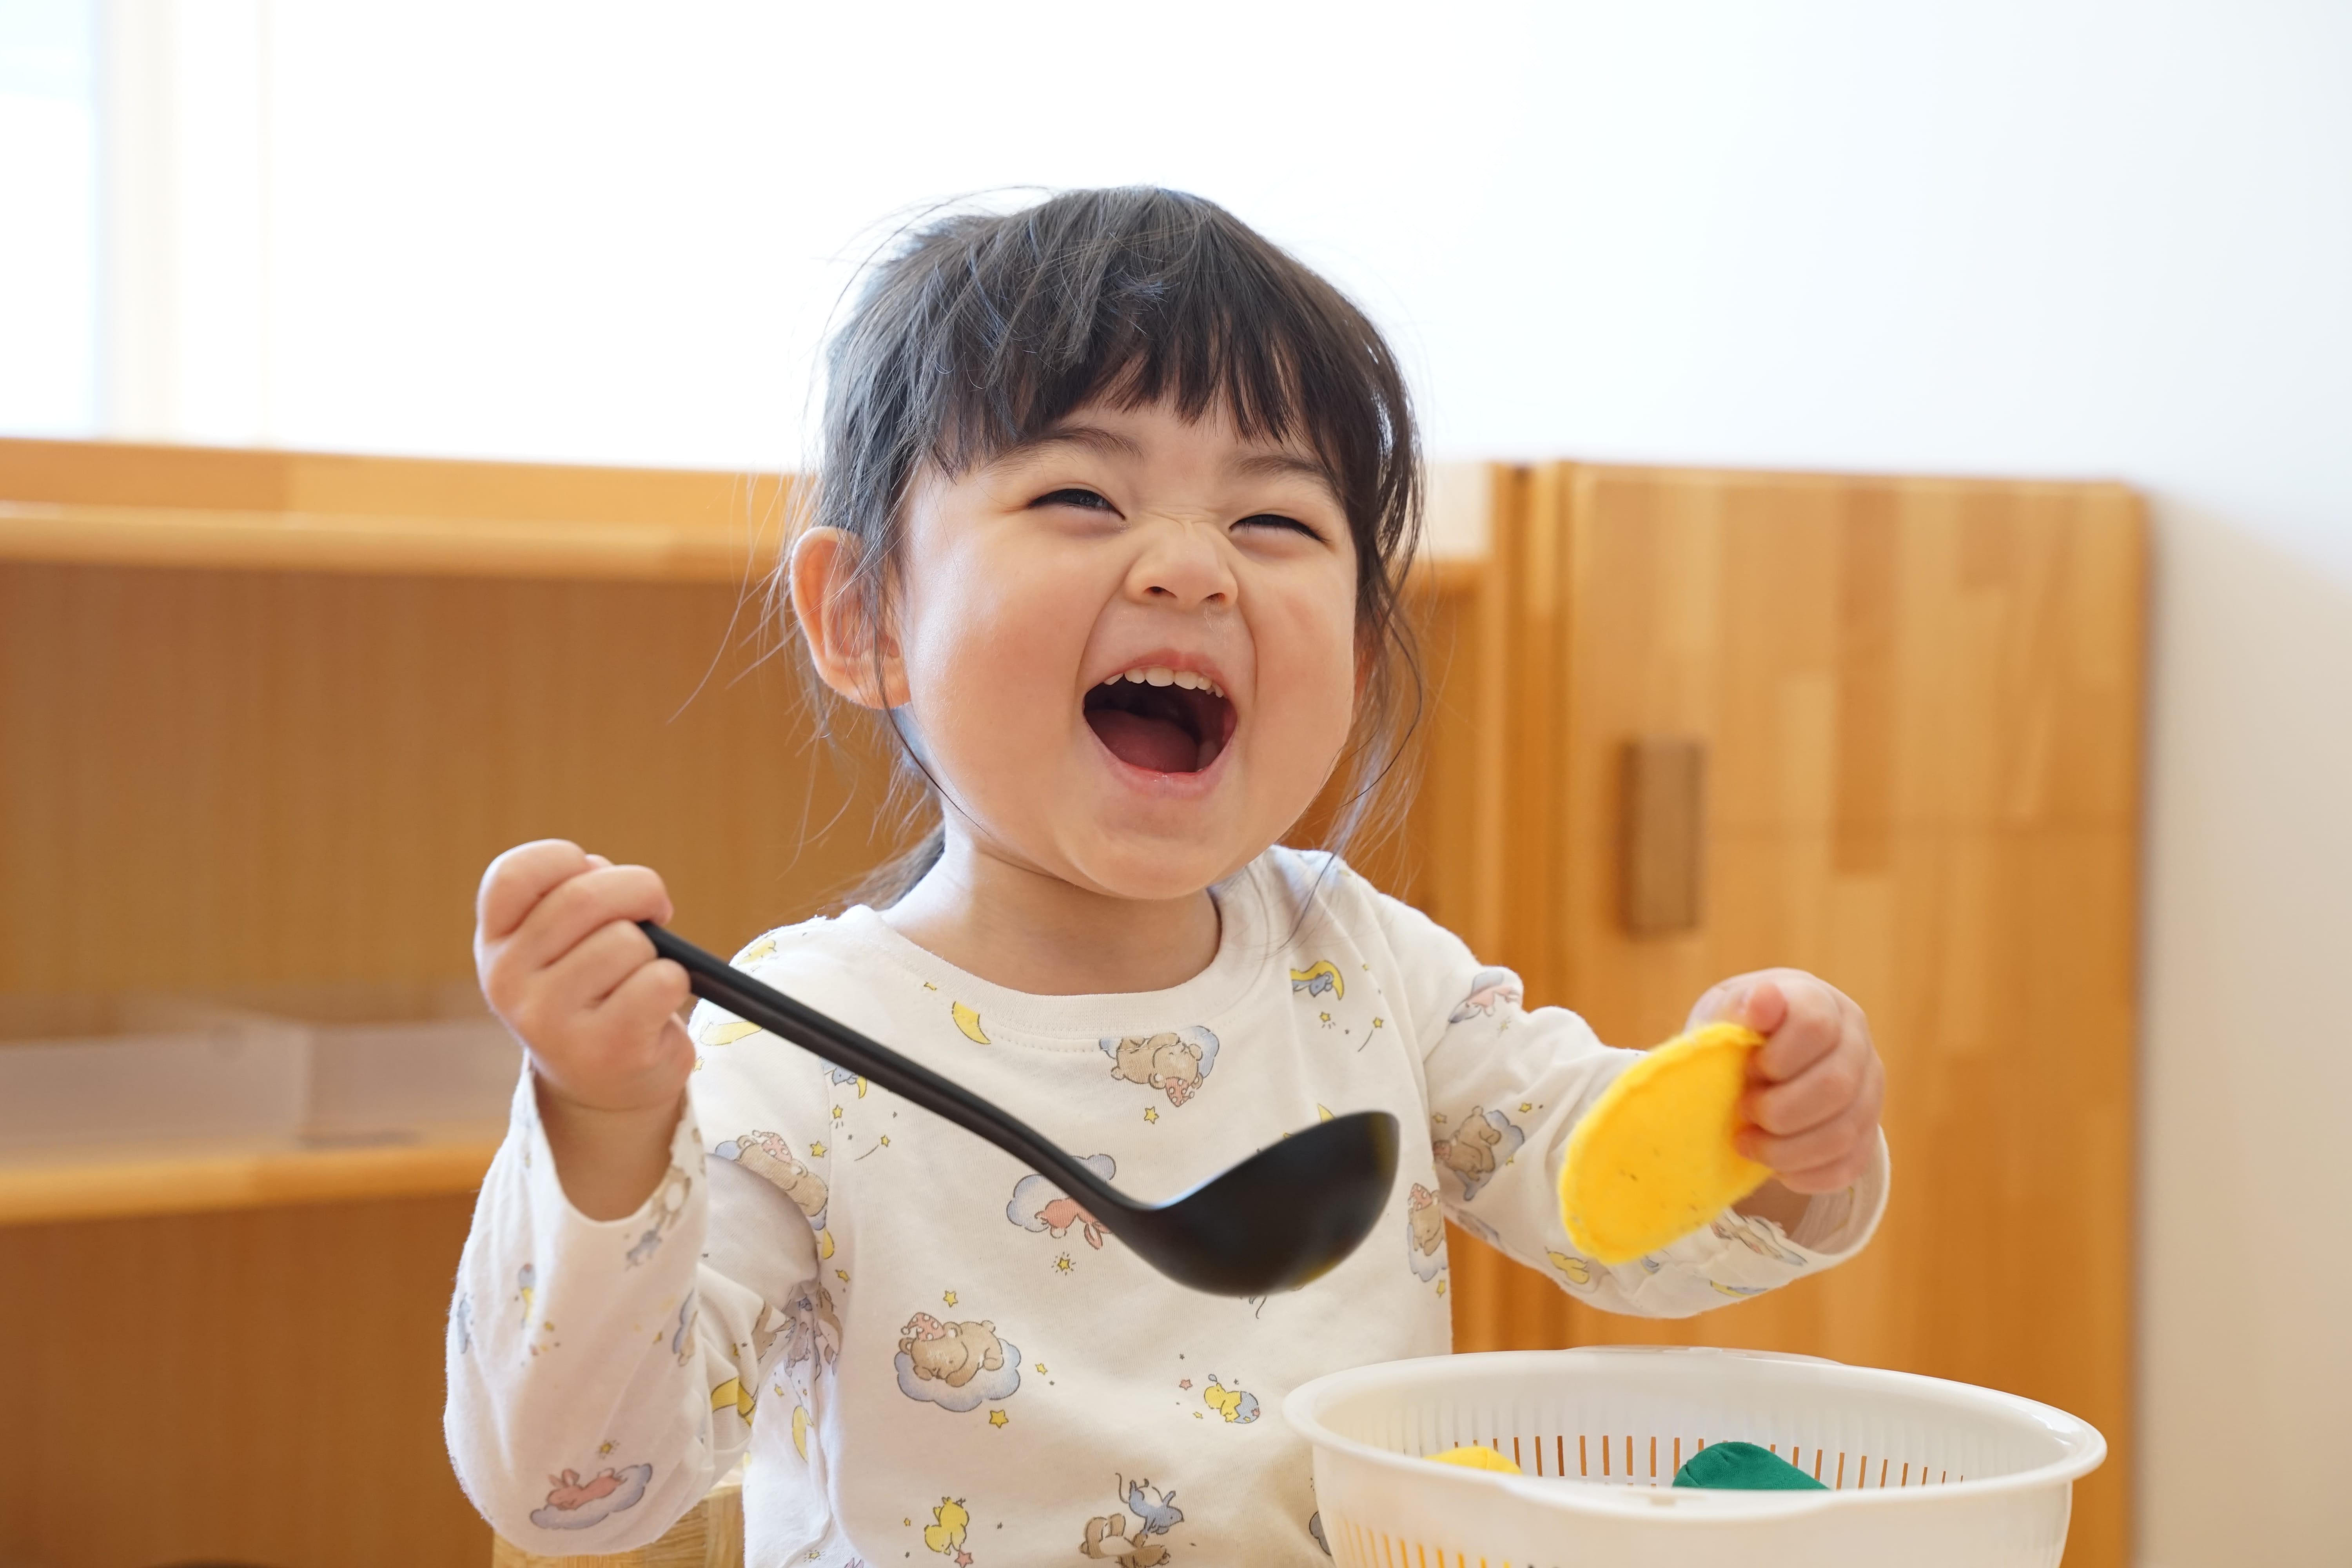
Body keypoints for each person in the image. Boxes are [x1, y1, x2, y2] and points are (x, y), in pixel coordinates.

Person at [445, 187, 1888, 1564]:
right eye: (1082, 494)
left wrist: (1769, 1127)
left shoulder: (1362, 966)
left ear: (1359, 654)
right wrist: (606, 1127)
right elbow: (578, 1493)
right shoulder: (792, 1052)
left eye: (1276, 523)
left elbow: (1613, 1212)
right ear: (868, 613)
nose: (1194, 568)